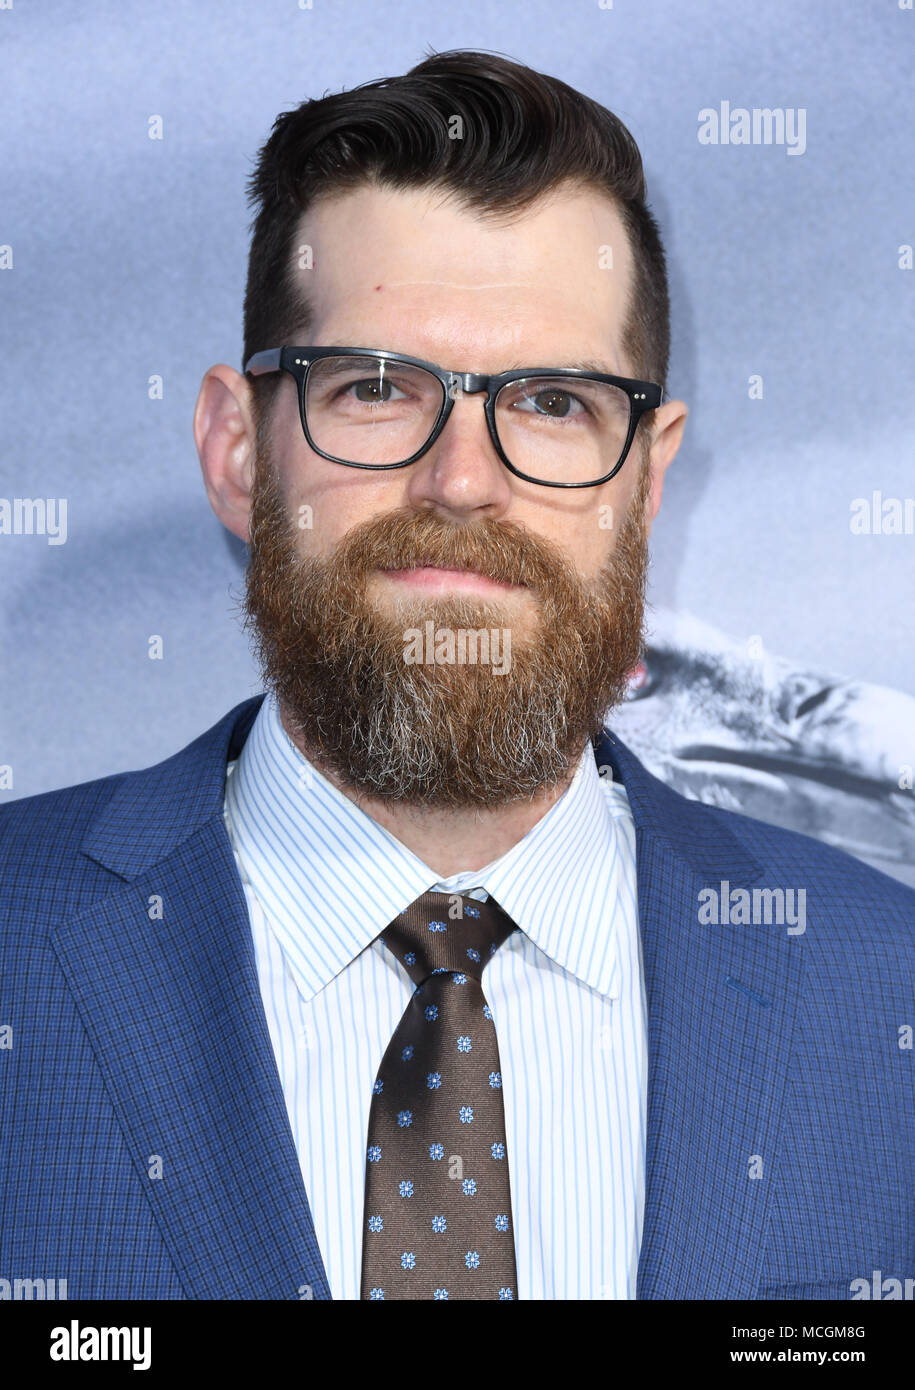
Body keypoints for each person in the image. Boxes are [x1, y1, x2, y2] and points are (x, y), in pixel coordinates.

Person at [2, 50, 912, 1303]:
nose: (464, 482)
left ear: (646, 482)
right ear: (236, 450)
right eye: (376, 388)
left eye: (550, 401)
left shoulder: (888, 997)